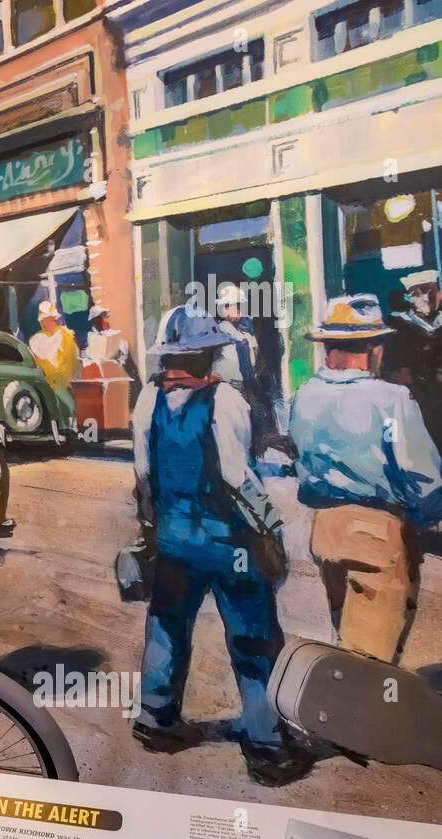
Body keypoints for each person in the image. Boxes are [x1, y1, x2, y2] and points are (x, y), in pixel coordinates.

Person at [132, 304, 312, 787]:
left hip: (174, 540)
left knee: (167, 628)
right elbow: (238, 478)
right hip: (228, 542)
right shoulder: (226, 401)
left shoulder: (147, 400)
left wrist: (154, 524)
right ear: (209, 355)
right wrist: (271, 528)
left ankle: (156, 719)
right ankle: (267, 744)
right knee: (252, 638)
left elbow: (145, 476)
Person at [289, 295, 442, 664]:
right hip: (378, 533)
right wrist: (415, 525)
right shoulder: (392, 399)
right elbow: (425, 480)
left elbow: (302, 461)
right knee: (370, 660)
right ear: (374, 348)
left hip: (326, 530)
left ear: (327, 345)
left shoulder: (305, 395)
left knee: (347, 640)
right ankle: (352, 720)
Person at [216, 283, 285, 454]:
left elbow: (255, 354)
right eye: (234, 306)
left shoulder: (246, 328)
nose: (239, 309)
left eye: (240, 305)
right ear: (224, 308)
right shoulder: (221, 332)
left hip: (249, 382)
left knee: (258, 418)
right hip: (232, 386)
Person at [384, 269, 442, 445]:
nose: (423, 299)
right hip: (420, 408)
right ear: (408, 298)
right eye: (415, 294)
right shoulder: (397, 330)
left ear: (439, 294)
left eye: (427, 291)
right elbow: (396, 374)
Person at [28, 301, 79, 421]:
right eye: (43, 320)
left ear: (53, 319)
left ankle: (71, 421)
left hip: (63, 381)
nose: (45, 322)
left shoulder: (65, 335)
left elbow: (73, 358)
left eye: (48, 319)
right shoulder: (36, 340)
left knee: (66, 405)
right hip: (44, 383)